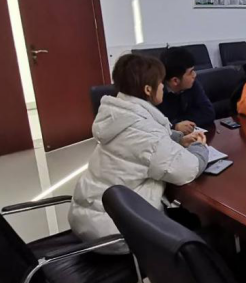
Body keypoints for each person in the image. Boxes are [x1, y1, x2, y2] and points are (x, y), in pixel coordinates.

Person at [69, 53, 208, 251]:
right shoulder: (143, 131)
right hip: (116, 231)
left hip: (89, 216)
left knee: (187, 216)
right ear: (148, 89)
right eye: (160, 83)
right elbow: (188, 169)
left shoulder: (119, 114)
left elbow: (141, 144)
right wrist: (200, 147)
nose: (163, 87)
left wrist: (177, 139)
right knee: (202, 227)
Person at [157, 46, 215, 131]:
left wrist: (179, 122)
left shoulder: (192, 84)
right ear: (175, 81)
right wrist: (175, 126)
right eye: (190, 72)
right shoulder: (156, 93)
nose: (194, 75)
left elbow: (208, 113)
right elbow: (156, 124)